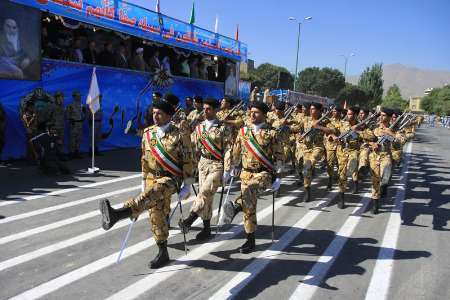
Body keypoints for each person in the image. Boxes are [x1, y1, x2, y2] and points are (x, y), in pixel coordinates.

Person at [99, 99, 194, 269]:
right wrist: (143, 181)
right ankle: (163, 252)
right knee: (156, 215)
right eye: (154, 112)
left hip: (171, 179)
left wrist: (187, 186)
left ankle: (119, 214)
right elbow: (144, 160)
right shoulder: (148, 133)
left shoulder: (180, 135)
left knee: (157, 190)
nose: (155, 116)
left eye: (159, 113)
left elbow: (188, 161)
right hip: (152, 178)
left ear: (168, 116)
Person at [220, 101, 284, 253]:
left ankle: (235, 206)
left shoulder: (273, 133)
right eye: (251, 112)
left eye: (256, 112)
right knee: (249, 209)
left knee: (249, 190)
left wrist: (279, 177)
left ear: (264, 114)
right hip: (246, 173)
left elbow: (279, 156)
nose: (252, 114)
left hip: (264, 173)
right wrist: (231, 169)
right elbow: (235, 151)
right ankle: (250, 241)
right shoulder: (243, 132)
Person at [179, 98, 234, 240]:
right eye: (204, 108)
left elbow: (228, 149)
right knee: (207, 199)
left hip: (217, 165)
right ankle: (207, 229)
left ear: (216, 110)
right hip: (203, 163)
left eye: (209, 109)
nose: (205, 111)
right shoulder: (199, 127)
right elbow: (192, 146)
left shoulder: (223, 127)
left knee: (204, 192)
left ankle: (188, 220)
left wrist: (227, 169)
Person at [335, 106, 374, 207]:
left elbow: (372, 137)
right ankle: (341, 197)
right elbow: (333, 132)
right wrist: (336, 138)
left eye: (351, 114)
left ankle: (358, 175)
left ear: (356, 115)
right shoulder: (342, 124)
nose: (349, 116)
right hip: (342, 151)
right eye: (348, 114)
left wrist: (358, 131)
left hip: (355, 151)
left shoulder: (362, 125)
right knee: (342, 175)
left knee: (352, 166)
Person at [297, 103, 336, 202]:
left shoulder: (325, 120)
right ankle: (307, 189)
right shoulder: (305, 119)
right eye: (310, 109)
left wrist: (319, 126)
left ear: (319, 111)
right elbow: (298, 129)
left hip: (317, 147)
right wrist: (299, 136)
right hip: (306, 148)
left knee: (310, 164)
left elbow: (333, 130)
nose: (311, 111)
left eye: (313, 109)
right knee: (307, 171)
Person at [368, 107, 395, 214]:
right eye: (381, 115)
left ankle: (385, 183)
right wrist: (372, 144)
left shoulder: (395, 128)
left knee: (385, 173)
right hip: (374, 155)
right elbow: (366, 139)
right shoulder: (374, 126)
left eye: (384, 115)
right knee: (375, 180)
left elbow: (400, 142)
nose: (381, 117)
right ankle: (376, 204)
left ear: (389, 117)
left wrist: (391, 134)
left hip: (386, 155)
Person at [324, 106, 343, 190]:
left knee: (340, 164)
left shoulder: (344, 122)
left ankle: (340, 178)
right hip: (330, 146)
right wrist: (332, 135)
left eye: (335, 111)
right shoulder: (329, 121)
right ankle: (329, 180)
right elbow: (328, 130)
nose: (333, 112)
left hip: (340, 146)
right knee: (330, 164)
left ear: (339, 112)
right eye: (333, 111)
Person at [65, 91, 84, 159]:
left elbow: (83, 114)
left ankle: (77, 152)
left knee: (79, 139)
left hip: (80, 123)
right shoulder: (70, 105)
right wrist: (70, 121)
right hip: (74, 124)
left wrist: (83, 118)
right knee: (72, 139)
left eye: (80, 96)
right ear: (74, 96)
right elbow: (67, 115)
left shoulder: (81, 105)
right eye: (77, 96)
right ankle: (71, 153)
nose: (79, 97)